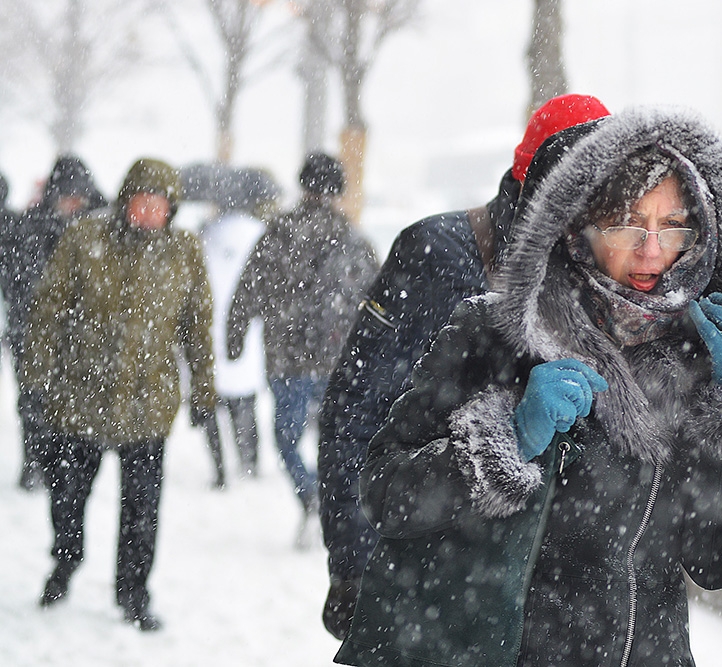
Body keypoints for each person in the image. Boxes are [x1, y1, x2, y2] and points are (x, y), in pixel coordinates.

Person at [334, 108, 722, 666]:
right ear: (578, 230)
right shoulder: (493, 335)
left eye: (674, 224)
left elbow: (720, 562)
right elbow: (386, 493)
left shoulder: (695, 360)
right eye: (627, 224)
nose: (652, 250)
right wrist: (506, 440)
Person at [316, 93, 611, 639]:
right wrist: (353, 564)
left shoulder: (606, 278)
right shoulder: (438, 251)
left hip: (539, 611)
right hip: (429, 585)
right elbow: (355, 409)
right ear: (534, 178)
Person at [21, 158, 217, 631]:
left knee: (141, 513)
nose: (148, 212)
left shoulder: (184, 252)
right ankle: (65, 562)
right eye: (141, 202)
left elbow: (197, 327)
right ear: (125, 200)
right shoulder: (84, 239)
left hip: (147, 405)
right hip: (80, 397)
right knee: (67, 497)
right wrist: (36, 377)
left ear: (172, 209)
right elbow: (48, 310)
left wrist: (204, 391)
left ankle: (133, 593)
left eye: (159, 205)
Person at [227, 152, 378, 546]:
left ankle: (311, 494)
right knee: (338, 440)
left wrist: (235, 335)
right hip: (338, 360)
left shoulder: (278, 233)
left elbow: (248, 288)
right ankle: (332, 504)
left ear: (303, 185)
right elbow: (378, 301)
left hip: (287, 359)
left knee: (287, 439)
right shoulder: (354, 240)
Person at [0, 156, 107, 492]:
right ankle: (35, 463)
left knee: (73, 406)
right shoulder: (30, 227)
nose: (72, 203)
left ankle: (63, 466)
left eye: (78, 196)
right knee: (33, 403)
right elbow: (17, 279)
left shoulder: (100, 230)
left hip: (80, 338)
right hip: (31, 331)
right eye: (66, 196)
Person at [197, 167, 279, 486]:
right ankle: (249, 461)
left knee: (210, 404)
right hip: (245, 331)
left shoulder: (208, 234)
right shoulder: (261, 233)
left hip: (208, 329)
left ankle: (219, 469)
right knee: (243, 403)